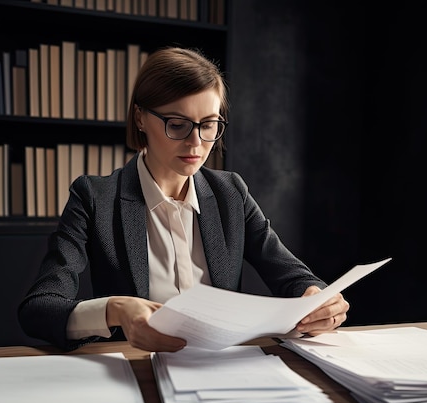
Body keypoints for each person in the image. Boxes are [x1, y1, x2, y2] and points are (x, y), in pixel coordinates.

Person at [18, 46, 350, 353]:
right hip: (135, 368)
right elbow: (39, 308)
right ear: (140, 118)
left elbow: (293, 276)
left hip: (225, 369)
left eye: (209, 125)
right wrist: (116, 310)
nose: (196, 142)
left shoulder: (230, 193)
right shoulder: (95, 197)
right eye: (177, 125)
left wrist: (317, 300)